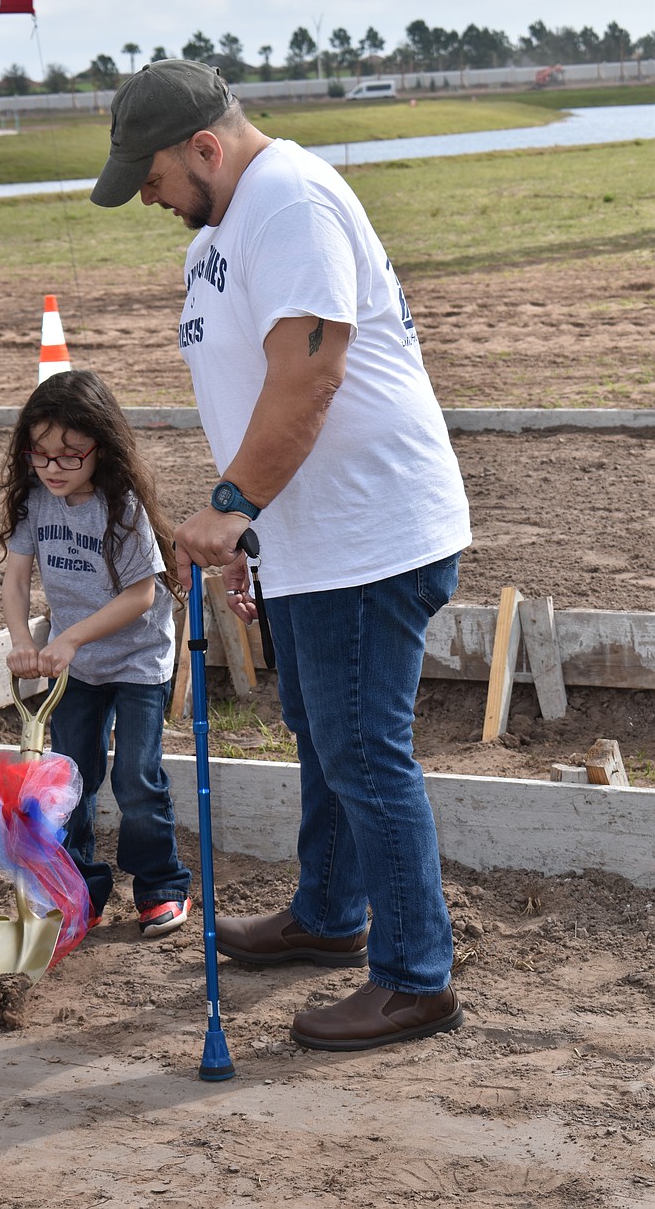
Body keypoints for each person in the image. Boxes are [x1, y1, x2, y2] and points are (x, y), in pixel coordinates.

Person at [90, 60, 472, 1049]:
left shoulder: (290, 201)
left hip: (369, 534)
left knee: (361, 748)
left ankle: (416, 976)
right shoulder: (224, 226)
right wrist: (255, 531)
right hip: (308, 537)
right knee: (319, 727)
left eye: (156, 180)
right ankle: (329, 912)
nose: (150, 199)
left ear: (204, 149)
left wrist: (229, 505)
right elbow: (248, 385)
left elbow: (311, 375)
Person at [0, 369, 192, 938]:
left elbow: (142, 594)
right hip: (74, 668)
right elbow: (14, 579)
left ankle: (160, 886)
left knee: (136, 777)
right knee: (69, 781)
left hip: (137, 663)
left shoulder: (120, 508)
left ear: (98, 450)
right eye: (41, 454)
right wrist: (22, 642)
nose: (53, 468)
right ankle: (79, 890)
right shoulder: (35, 502)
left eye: (69, 455)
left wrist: (72, 637)